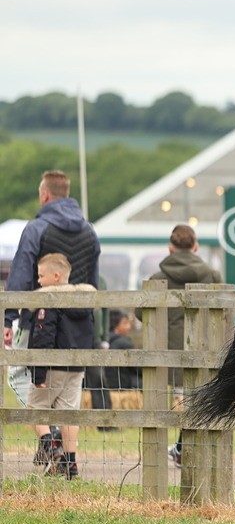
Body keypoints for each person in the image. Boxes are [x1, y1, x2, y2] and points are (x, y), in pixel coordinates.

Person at [4, 170, 99, 454]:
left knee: (19, 375)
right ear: (67, 194)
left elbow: (20, 276)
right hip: (78, 325)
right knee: (70, 393)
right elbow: (93, 282)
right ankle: (61, 449)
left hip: (40, 321)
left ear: (44, 195)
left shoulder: (36, 228)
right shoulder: (89, 230)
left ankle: (50, 436)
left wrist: (9, 317)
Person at [140, 224, 222, 465]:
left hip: (167, 349)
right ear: (195, 247)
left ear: (170, 248)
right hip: (204, 348)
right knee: (196, 399)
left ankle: (173, 450)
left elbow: (140, 312)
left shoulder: (158, 278)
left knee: (167, 403)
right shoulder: (212, 276)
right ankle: (184, 448)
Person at [25, 253, 96, 478]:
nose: (38, 281)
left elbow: (43, 336)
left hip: (53, 363)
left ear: (56, 276)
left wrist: (38, 372)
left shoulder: (49, 300)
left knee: (34, 408)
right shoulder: (83, 302)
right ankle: (70, 461)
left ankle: (50, 446)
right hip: (76, 366)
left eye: (41, 275)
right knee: (68, 413)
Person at [103, 310, 142, 394]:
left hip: (104, 385)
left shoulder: (102, 343)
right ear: (115, 325)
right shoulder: (124, 343)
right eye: (125, 323)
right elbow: (138, 368)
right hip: (123, 384)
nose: (129, 327)